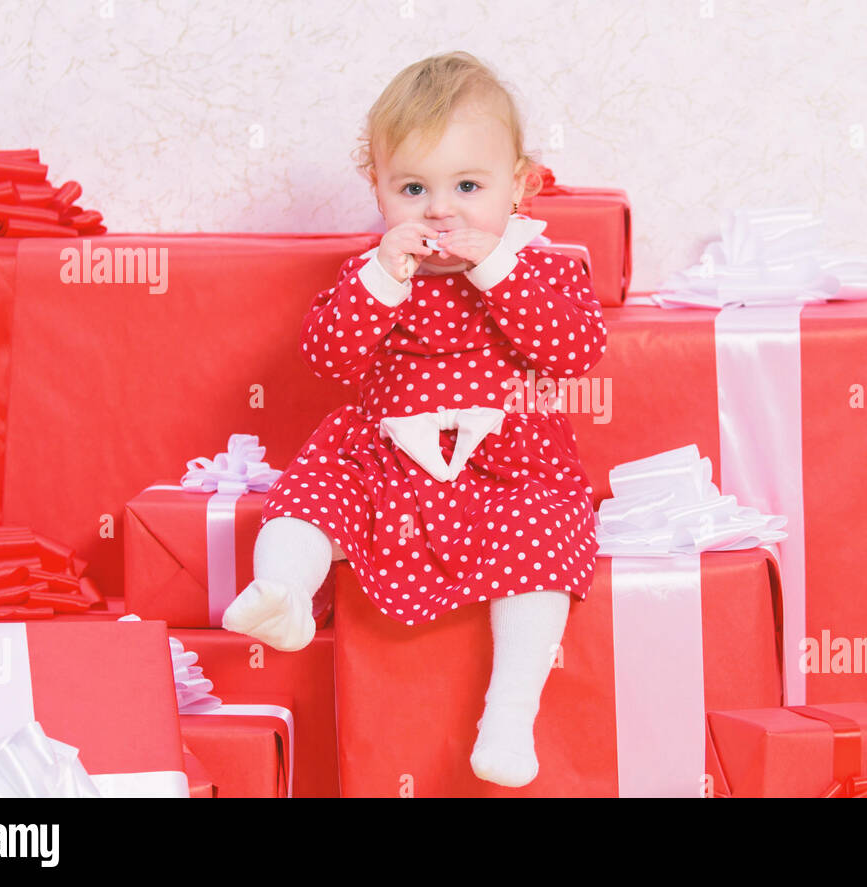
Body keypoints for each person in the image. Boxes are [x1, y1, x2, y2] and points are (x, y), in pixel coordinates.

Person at [222, 51, 608, 788]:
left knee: (545, 538)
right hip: (388, 462)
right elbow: (329, 358)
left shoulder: (540, 266)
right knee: (312, 491)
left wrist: (494, 266)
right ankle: (284, 592)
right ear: (378, 189)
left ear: (518, 186)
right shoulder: (376, 273)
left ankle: (508, 714)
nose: (440, 210)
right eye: (412, 188)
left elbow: (574, 349)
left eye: (468, 186)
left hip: (507, 469)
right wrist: (378, 279)